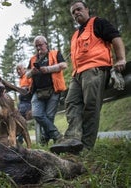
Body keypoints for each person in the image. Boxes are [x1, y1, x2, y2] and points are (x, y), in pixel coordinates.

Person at [50, 0, 126, 154]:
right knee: (71, 103)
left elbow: (115, 38)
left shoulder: (98, 23)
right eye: (73, 12)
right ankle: (73, 138)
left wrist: (121, 59)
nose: (76, 13)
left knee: (90, 106)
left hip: (95, 70)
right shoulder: (75, 35)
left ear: (87, 9)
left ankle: (86, 147)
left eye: (79, 9)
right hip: (77, 74)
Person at [26, 35, 67, 145]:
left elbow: (64, 65)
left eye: (41, 45)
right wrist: (32, 72)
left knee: (49, 116)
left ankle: (44, 142)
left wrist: (48, 69)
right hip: (37, 91)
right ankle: (56, 135)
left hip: (54, 89)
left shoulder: (55, 53)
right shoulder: (33, 59)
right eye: (36, 46)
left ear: (46, 44)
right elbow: (27, 75)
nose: (39, 48)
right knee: (37, 114)